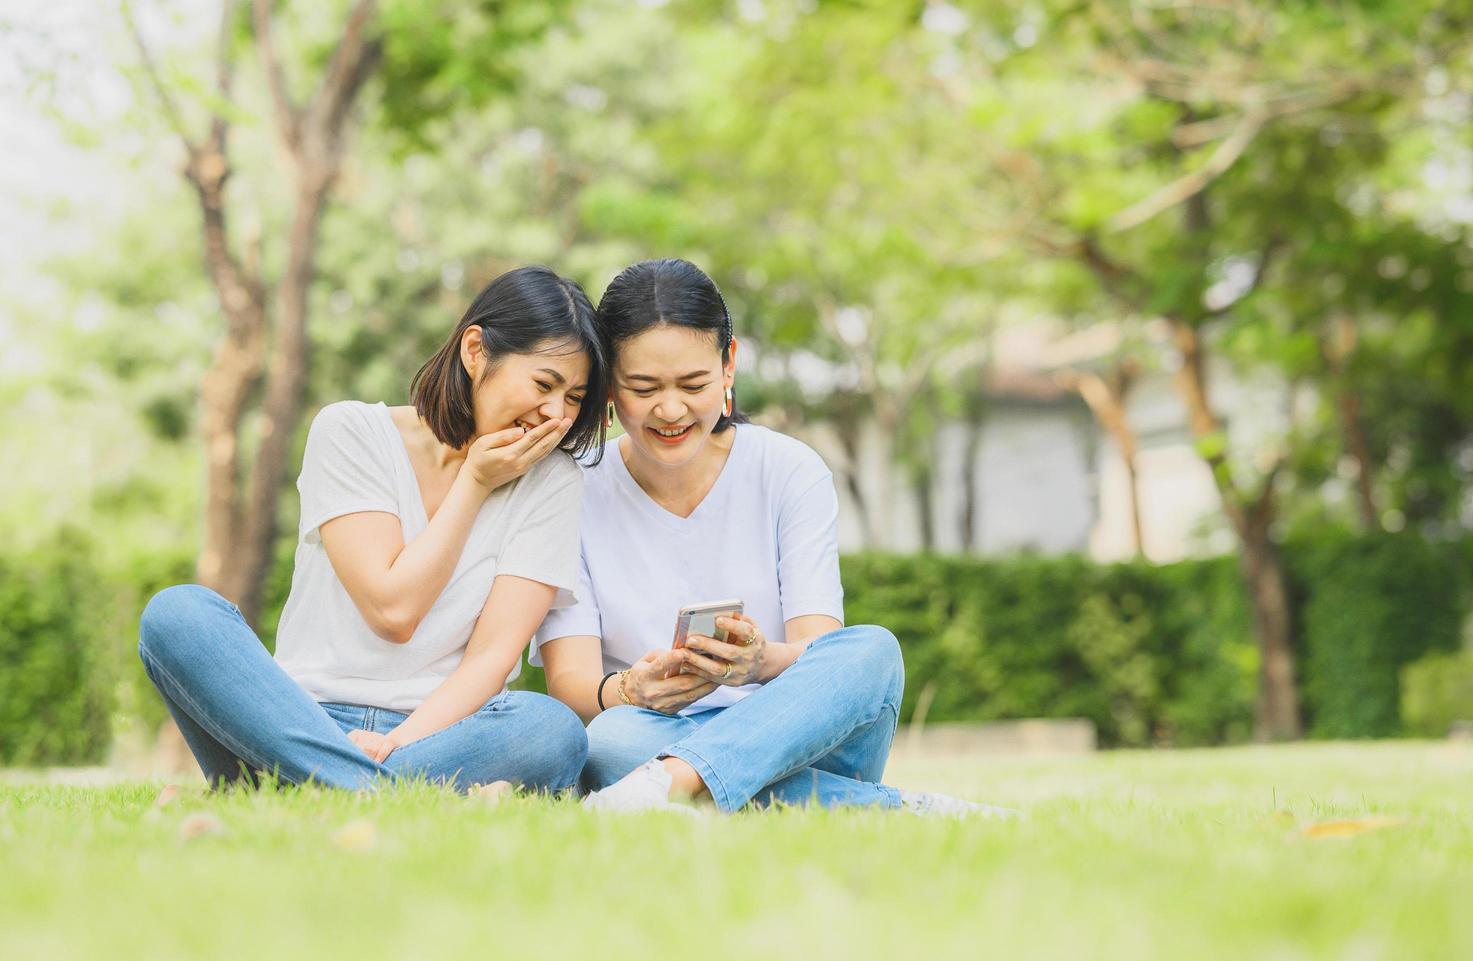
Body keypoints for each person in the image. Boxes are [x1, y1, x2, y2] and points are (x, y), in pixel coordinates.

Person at [534, 258, 1015, 816]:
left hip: (791, 737)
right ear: (608, 385)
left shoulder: (789, 470)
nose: (671, 409)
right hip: (651, 732)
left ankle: (675, 784)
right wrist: (631, 691)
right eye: (643, 388)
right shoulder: (571, 493)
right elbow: (572, 686)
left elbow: (822, 654)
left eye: (693, 384)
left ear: (729, 365)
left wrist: (760, 662)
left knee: (873, 650)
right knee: (608, 743)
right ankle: (892, 811)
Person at [138, 266, 605, 793]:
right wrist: (474, 482)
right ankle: (369, 789)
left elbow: (491, 659)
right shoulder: (351, 432)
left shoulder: (553, 482)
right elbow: (393, 611)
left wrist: (399, 743)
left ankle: (319, 789)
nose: (555, 415)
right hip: (292, 724)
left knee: (553, 730)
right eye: (545, 385)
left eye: (574, 398)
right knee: (177, 615)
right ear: (475, 351)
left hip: (437, 737)